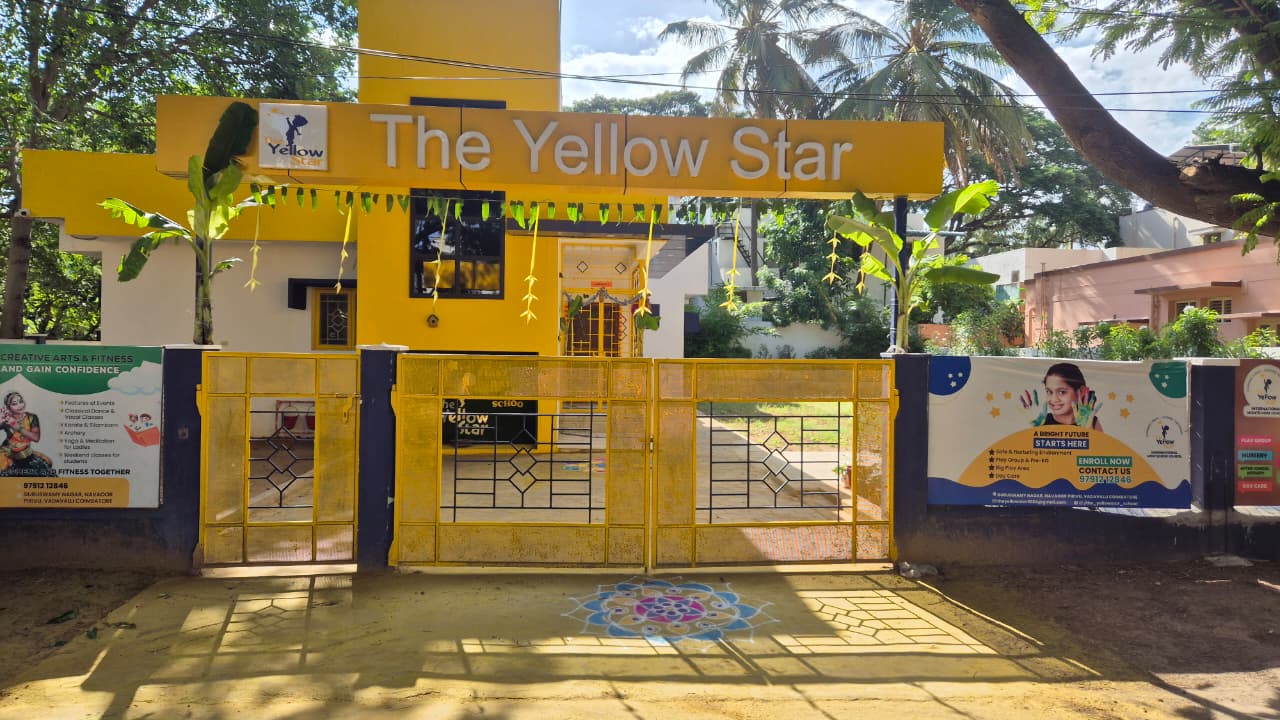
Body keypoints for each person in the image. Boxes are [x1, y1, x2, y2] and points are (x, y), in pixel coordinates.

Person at [1020, 363, 1104, 431]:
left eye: (1062, 392)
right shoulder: (1040, 422)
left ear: (1081, 391)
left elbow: (1102, 447)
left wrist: (1088, 430)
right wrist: (1034, 429)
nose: (1054, 399)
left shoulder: (1090, 422)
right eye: (1049, 392)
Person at [0, 391, 55, 476]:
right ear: (8, 407)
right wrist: (1, 421)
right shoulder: (7, 419)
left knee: (47, 465)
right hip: (7, 453)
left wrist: (17, 427)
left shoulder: (31, 417)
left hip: (26, 453)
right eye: (14, 404)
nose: (20, 405)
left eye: (21, 401)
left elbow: (36, 438)